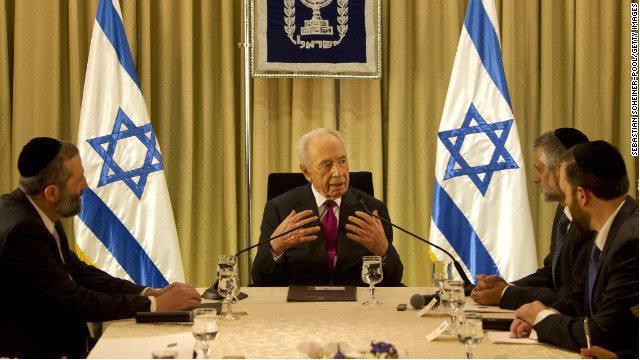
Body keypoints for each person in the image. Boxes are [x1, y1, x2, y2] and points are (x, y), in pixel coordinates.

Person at [0, 137, 202, 358]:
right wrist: (154, 305)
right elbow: (73, 300)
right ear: (51, 193)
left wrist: (146, 293)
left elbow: (78, 271)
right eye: (78, 179)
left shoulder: (35, 210)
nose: (85, 185)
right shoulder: (23, 232)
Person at [510, 140, 638, 355]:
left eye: (567, 196)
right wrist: (543, 319)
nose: (566, 206)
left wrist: (541, 318)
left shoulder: (631, 243)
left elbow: (600, 336)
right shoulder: (613, 229)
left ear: (582, 196)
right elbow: (582, 303)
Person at [251, 128, 403, 286]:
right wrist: (275, 248)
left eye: (342, 161)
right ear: (306, 171)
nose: (338, 172)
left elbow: (394, 281)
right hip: (299, 306)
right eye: (326, 165)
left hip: (356, 306)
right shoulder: (279, 209)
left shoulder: (372, 209)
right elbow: (260, 280)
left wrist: (384, 251)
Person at [470, 128, 594, 309]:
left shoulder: (590, 219)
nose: (535, 178)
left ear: (561, 170)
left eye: (539, 169)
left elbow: (576, 294)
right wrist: (507, 287)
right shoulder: (563, 211)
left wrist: (506, 295)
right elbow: (551, 274)